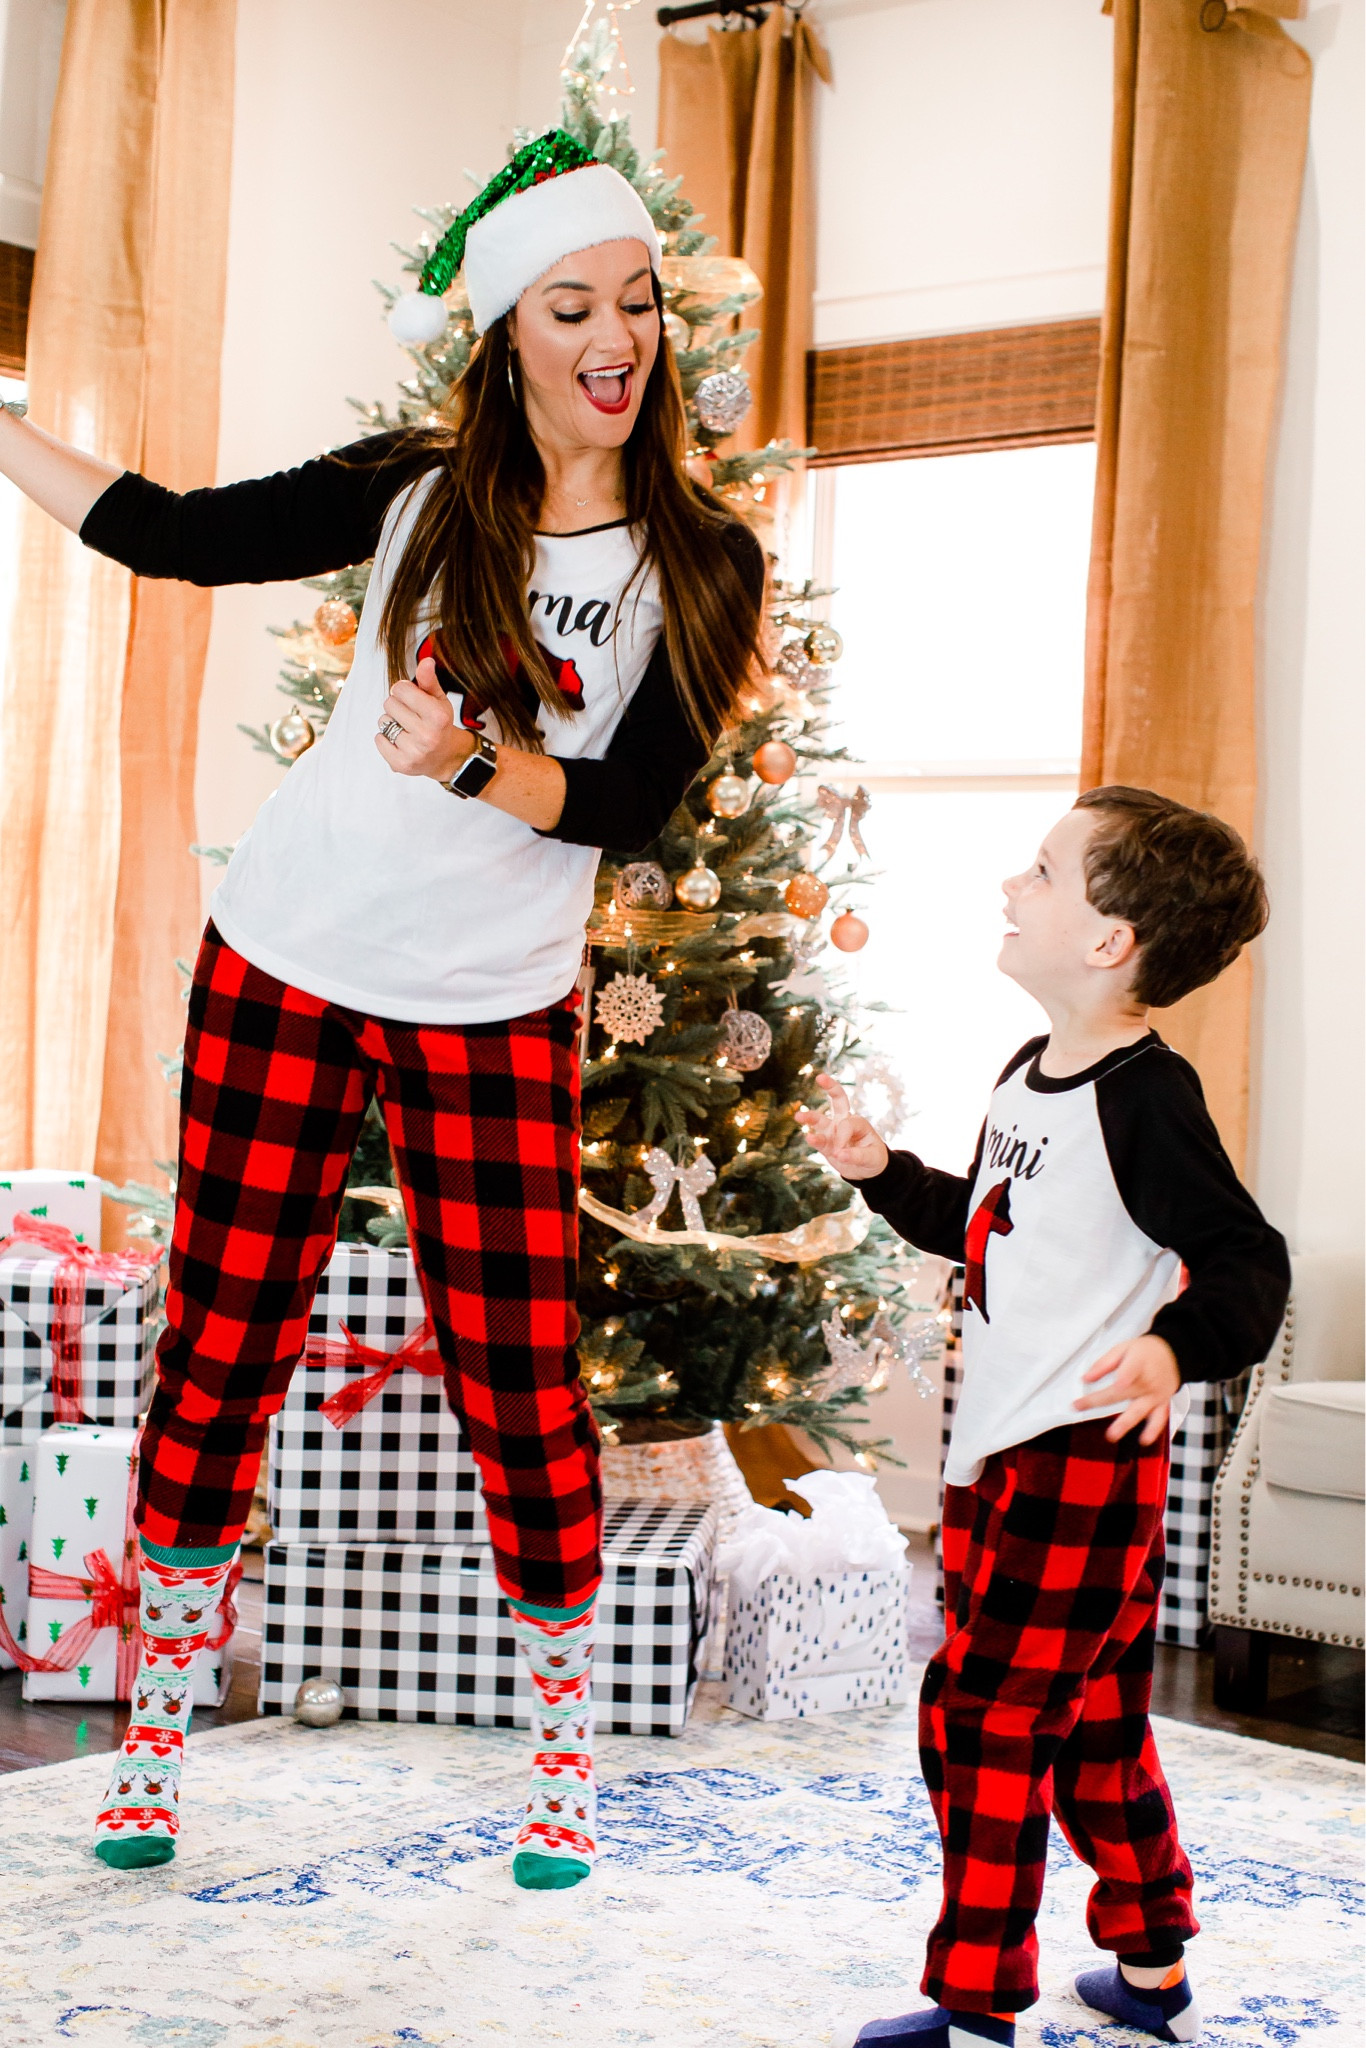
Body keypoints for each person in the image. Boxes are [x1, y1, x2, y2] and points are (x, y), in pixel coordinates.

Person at [0, 129, 764, 1888]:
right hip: (285, 961)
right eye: (570, 305)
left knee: (521, 1380)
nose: (616, 337)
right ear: (506, 332)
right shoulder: (417, 491)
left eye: (636, 302)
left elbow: (633, 798)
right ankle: (154, 1740)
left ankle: (561, 1759)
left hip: (489, 1007)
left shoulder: (701, 560)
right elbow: (172, 535)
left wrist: (478, 763)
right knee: (220, 1346)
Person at [799, 787, 1291, 2048]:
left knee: (981, 1716)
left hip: (1077, 1465)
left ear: (1109, 941)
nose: (1011, 887)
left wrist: (1173, 1346)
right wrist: (880, 1173)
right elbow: (988, 1223)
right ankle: (1152, 1967)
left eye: (1041, 871)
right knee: (1094, 1726)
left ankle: (976, 2005)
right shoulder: (1026, 1074)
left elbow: (1247, 1259)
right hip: (996, 1454)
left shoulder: (1147, 1097)